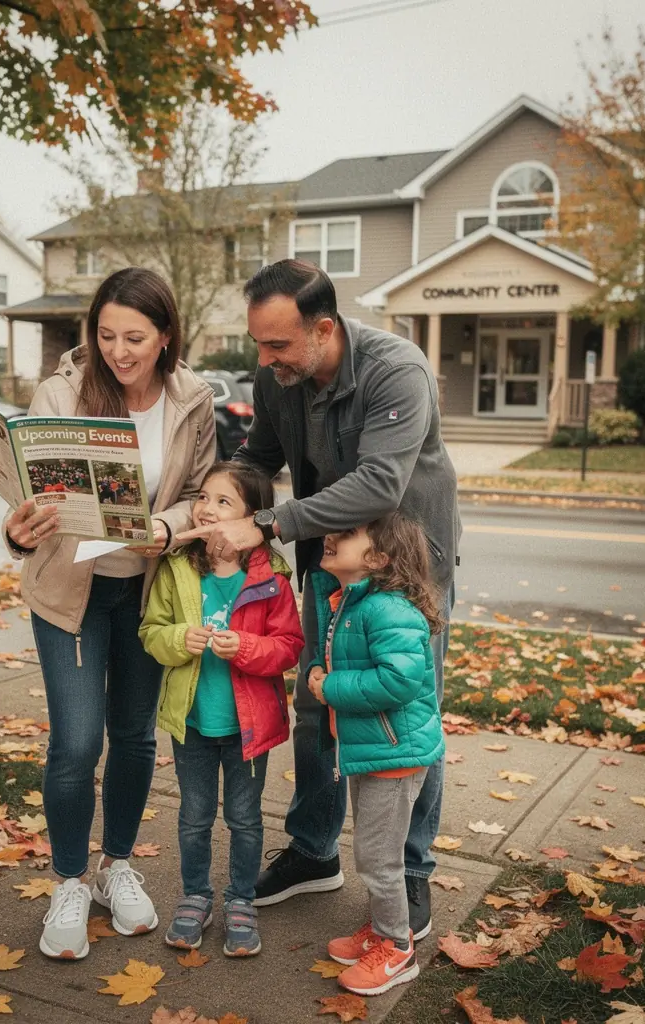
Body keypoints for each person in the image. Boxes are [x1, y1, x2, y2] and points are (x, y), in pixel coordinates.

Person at [176, 259, 459, 941]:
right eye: (258, 344)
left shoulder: (399, 371)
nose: (264, 359)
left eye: (277, 345)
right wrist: (218, 501)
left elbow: (378, 487)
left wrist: (267, 524)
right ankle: (313, 849)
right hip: (329, 560)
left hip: (402, 567)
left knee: (405, 708)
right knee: (315, 699)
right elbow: (259, 457)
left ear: (324, 328)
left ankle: (411, 867)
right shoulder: (281, 381)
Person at [3, 267, 216, 961]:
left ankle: (115, 867)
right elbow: (27, 495)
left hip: (147, 590)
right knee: (75, 743)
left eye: (135, 338)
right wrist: (19, 529)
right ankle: (68, 880)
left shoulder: (194, 398)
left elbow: (197, 491)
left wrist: (166, 525)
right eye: (105, 335)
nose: (118, 352)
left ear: (165, 337)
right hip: (71, 592)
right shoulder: (61, 392)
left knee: (133, 738)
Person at [139, 462, 304, 958]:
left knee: (244, 817)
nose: (207, 508)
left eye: (224, 502)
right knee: (193, 816)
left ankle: (239, 899)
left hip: (247, 728)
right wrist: (177, 639)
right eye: (204, 497)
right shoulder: (178, 568)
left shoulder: (272, 577)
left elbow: (290, 645)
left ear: (251, 518)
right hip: (191, 723)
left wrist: (247, 649)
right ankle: (195, 896)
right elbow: (152, 632)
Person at [307, 514, 445, 996]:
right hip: (375, 750)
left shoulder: (387, 608)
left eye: (345, 534)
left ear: (378, 559)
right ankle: (385, 926)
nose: (330, 536)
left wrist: (331, 687)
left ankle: (396, 948)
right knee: (373, 849)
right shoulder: (353, 601)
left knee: (378, 858)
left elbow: (399, 681)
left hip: (394, 752)